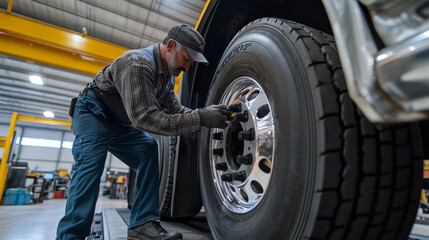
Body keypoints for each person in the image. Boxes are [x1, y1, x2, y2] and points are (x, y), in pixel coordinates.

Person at [56, 24, 230, 240]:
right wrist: (202, 118)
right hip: (93, 113)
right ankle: (70, 236)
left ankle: (142, 225)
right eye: (187, 58)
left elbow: (175, 111)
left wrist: (204, 116)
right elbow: (145, 118)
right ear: (171, 45)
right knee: (91, 165)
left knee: (147, 148)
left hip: (118, 123)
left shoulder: (166, 77)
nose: (187, 66)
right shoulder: (138, 63)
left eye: (191, 62)